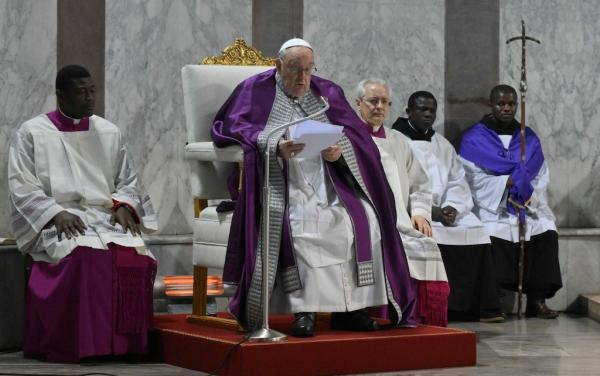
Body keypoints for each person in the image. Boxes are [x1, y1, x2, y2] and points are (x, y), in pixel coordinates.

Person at [212, 39, 417, 337]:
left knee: (364, 220)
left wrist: (339, 152)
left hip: (329, 180)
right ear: (279, 65)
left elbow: (357, 137)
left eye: (309, 70)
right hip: (281, 181)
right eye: (295, 70)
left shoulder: (327, 92)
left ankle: (352, 311)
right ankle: (304, 310)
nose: (303, 78)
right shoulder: (254, 90)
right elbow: (228, 128)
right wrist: (275, 147)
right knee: (304, 226)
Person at [8, 65, 158, 362]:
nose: (90, 98)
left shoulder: (107, 131)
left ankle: (126, 347)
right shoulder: (33, 133)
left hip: (103, 216)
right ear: (60, 95)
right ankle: (83, 346)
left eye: (93, 91)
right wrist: (53, 213)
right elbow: (21, 185)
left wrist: (124, 206)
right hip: (59, 219)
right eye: (82, 92)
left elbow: (127, 180)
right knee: (84, 257)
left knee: (135, 255)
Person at [393, 90, 504, 322]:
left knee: (477, 232)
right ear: (408, 111)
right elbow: (396, 183)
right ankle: (435, 308)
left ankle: (476, 307)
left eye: (432, 110)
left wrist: (452, 207)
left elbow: (457, 180)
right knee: (427, 233)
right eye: (422, 109)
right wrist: (429, 211)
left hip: (444, 210)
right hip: (413, 211)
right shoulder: (395, 140)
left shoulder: (441, 143)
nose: (427, 115)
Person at [458, 84, 562, 319]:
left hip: (526, 203)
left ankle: (537, 300)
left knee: (546, 231)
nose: (506, 108)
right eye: (501, 104)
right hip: (495, 206)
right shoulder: (474, 138)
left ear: (517, 105)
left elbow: (541, 174)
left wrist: (525, 196)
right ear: (490, 105)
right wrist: (504, 186)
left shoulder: (529, 138)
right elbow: (470, 177)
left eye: (511, 104)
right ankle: (494, 301)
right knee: (492, 233)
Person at [354, 79, 449, 326]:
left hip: (399, 220)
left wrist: (419, 212)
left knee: (425, 244)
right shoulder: (348, 138)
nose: (379, 107)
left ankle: (415, 316)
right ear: (358, 104)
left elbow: (420, 183)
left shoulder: (398, 141)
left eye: (385, 102)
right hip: (362, 219)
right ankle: (378, 314)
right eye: (373, 101)